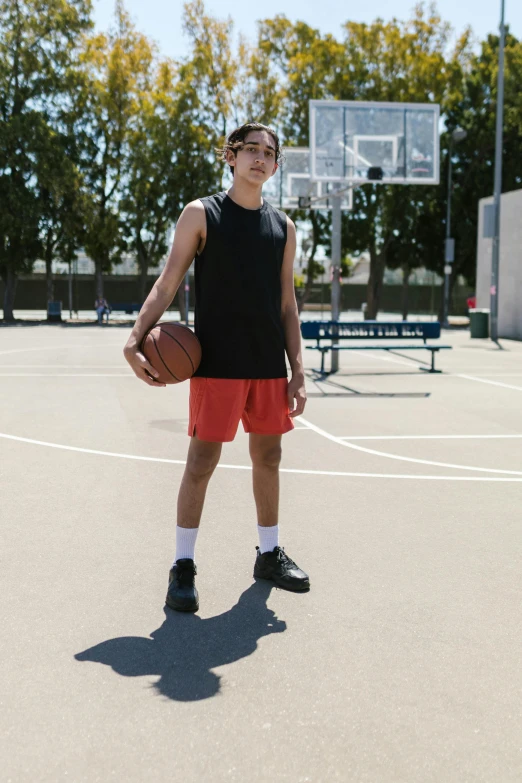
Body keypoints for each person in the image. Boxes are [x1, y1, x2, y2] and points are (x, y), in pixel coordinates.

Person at [123, 122, 309, 613]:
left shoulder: (283, 227)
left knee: (268, 459)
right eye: (251, 149)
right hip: (217, 365)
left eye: (270, 153)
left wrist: (298, 367)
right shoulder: (201, 214)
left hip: (267, 364)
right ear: (230, 156)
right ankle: (182, 566)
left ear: (275, 164)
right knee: (201, 464)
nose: (261, 158)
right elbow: (167, 283)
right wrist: (135, 338)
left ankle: (268, 554)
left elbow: (287, 304)